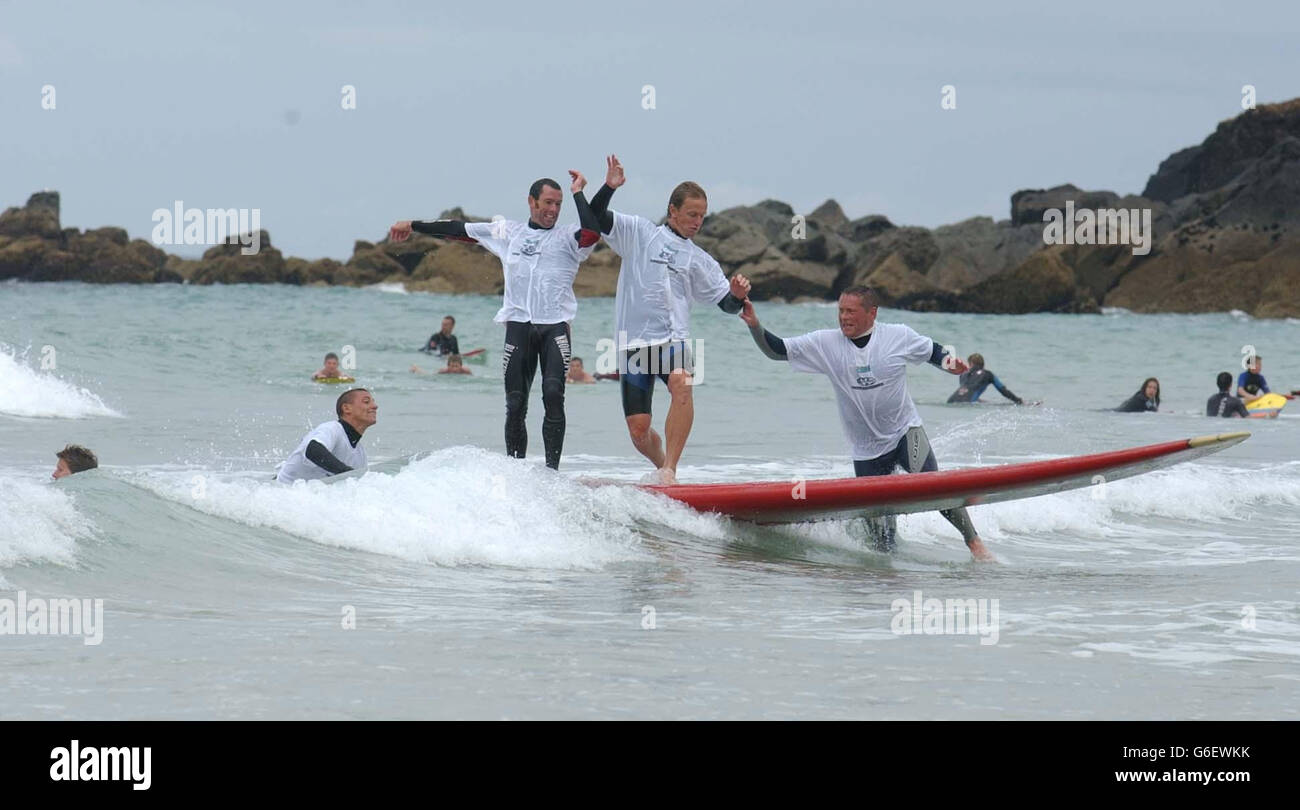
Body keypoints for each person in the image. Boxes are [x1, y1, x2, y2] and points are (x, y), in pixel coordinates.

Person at [739, 287, 994, 561]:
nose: (843, 317)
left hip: (905, 432)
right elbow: (777, 351)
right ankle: (884, 577)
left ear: (872, 313)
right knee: (880, 536)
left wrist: (948, 363)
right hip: (866, 450)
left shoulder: (897, 336)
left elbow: (932, 350)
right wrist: (755, 325)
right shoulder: (826, 344)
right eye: (840, 311)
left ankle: (975, 544)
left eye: (851, 311)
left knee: (934, 487)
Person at [389, 172, 600, 470]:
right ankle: (516, 473)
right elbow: (458, 229)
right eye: (548, 203)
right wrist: (413, 225)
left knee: (553, 395)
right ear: (531, 202)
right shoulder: (507, 232)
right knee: (515, 405)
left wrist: (578, 193)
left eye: (559, 204)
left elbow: (592, 232)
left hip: (555, 327)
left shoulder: (567, 236)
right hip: (518, 327)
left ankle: (552, 473)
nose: (553, 210)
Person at [583, 155, 750, 484]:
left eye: (702, 216)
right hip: (633, 344)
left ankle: (670, 469)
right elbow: (594, 216)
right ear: (672, 210)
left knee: (681, 384)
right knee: (639, 431)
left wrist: (737, 295)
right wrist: (609, 187)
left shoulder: (700, 260)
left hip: (673, 340)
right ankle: (663, 468)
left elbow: (726, 305)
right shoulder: (640, 234)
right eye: (691, 214)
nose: (697, 221)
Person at [276, 389, 377, 483]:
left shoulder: (360, 454)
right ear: (346, 408)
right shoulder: (331, 429)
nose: (375, 406)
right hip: (281, 492)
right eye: (366, 402)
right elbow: (313, 450)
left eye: (373, 402)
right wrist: (348, 473)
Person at [947, 353, 1023, 404]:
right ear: (983, 364)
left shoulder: (963, 375)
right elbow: (1003, 390)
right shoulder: (988, 374)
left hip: (951, 401)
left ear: (971, 364)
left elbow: (966, 391)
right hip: (967, 403)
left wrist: (980, 400)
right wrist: (1019, 401)